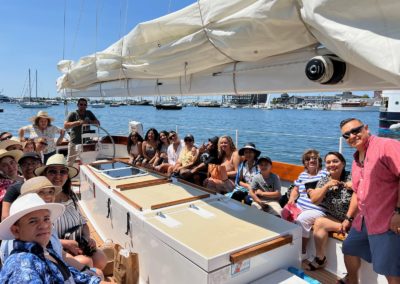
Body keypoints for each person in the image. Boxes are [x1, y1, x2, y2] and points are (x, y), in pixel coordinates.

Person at [338, 118, 400, 284]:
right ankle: (352, 281)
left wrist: (398, 213)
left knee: (390, 269)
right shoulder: (357, 158)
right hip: (363, 219)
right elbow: (358, 193)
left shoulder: (386, 146)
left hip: (386, 221)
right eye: (347, 134)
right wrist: (349, 217)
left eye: (356, 130)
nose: (352, 135)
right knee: (349, 247)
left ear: (366, 128)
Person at [0, 193, 102, 283]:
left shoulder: (45, 251)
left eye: (46, 219)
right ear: (16, 230)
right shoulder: (22, 266)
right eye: (33, 221)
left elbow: (71, 275)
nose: (44, 225)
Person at [35, 154, 107, 270]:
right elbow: (36, 236)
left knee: (101, 259)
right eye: (53, 171)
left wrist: (87, 238)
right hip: (54, 247)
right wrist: (65, 244)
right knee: (86, 262)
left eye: (62, 172)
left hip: (77, 244)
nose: (58, 176)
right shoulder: (40, 201)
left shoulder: (70, 195)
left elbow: (82, 222)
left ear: (67, 176)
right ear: (45, 175)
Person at [306, 152, 353, 271]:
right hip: (337, 219)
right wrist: (326, 186)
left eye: (335, 161)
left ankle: (350, 273)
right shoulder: (324, 181)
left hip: (354, 220)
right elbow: (314, 200)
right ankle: (320, 258)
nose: (331, 164)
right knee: (319, 222)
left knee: (352, 239)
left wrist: (355, 186)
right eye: (328, 162)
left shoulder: (352, 177)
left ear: (343, 163)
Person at [285, 149, 327, 255]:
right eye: (308, 159)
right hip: (300, 205)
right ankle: (288, 242)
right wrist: (291, 199)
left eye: (314, 158)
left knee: (302, 219)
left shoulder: (325, 174)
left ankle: (301, 250)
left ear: (319, 161)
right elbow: (296, 189)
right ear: (305, 163)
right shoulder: (302, 175)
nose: (311, 160)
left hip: (317, 208)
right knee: (284, 212)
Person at [2, 152, 42, 220]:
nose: (29, 167)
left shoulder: (52, 184)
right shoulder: (14, 189)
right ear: (20, 168)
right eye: (24, 164)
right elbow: (5, 218)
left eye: (33, 163)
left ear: (41, 165)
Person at [64, 98, 100, 166]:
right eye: (81, 104)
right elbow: (65, 125)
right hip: (74, 142)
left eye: (85, 104)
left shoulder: (89, 113)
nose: (83, 106)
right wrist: (78, 122)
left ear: (87, 106)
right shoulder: (73, 113)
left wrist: (89, 121)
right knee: (69, 162)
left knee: (88, 162)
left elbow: (98, 124)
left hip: (86, 142)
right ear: (77, 105)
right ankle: (68, 175)